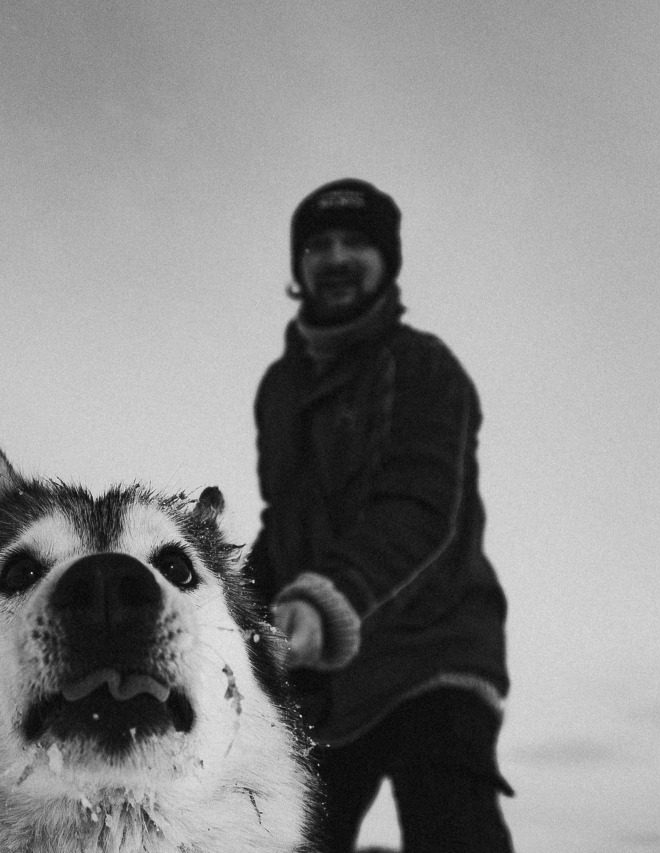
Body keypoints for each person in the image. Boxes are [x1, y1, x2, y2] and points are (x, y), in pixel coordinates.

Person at [248, 178, 515, 853]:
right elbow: (284, 520)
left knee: (452, 824)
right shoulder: (279, 390)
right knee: (291, 835)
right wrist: (236, 609)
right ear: (298, 265)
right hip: (325, 676)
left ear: (387, 259)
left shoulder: (424, 367)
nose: (335, 257)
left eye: (356, 243)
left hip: (433, 648)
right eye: (319, 245)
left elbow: (420, 510)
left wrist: (326, 600)